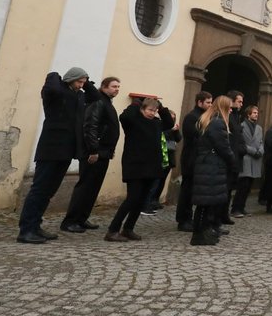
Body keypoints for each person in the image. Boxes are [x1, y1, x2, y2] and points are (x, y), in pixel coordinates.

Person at [17, 67, 100, 244]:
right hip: (50, 149)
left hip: (66, 151)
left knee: (48, 192)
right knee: (39, 190)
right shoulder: (55, 93)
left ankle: (35, 225)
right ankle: (26, 230)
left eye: (83, 83)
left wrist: (86, 81)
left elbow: (95, 97)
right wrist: (55, 75)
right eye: (79, 81)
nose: (81, 85)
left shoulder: (78, 95)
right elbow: (52, 86)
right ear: (70, 79)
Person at [105, 97, 174, 242]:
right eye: (149, 110)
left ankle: (128, 228)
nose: (152, 113)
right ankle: (113, 230)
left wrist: (161, 108)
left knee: (141, 200)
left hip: (151, 166)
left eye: (154, 111)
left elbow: (169, 123)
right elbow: (125, 116)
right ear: (142, 109)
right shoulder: (133, 122)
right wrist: (136, 103)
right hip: (135, 165)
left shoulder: (156, 123)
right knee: (132, 198)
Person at [60, 76, 121, 233]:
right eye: (114, 86)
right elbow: (90, 125)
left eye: (118, 87)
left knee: (93, 187)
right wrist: (93, 150)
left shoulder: (106, 101)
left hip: (104, 151)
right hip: (94, 152)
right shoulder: (98, 100)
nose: (117, 89)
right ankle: (71, 220)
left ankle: (82, 218)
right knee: (85, 186)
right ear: (104, 87)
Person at [190, 95, 237, 245]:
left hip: (207, 165)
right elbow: (223, 147)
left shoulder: (209, 119)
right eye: (229, 107)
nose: (231, 110)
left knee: (205, 203)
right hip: (212, 166)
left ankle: (202, 233)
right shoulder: (218, 123)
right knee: (207, 203)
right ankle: (201, 235)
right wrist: (232, 161)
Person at [176, 91, 211, 232]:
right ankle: (183, 219)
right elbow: (195, 137)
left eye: (211, 102)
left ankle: (189, 218)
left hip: (199, 158)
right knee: (187, 190)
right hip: (191, 158)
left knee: (193, 190)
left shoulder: (203, 116)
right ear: (199, 102)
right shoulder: (192, 117)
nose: (210, 105)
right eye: (208, 102)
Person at [144, 109, 179, 214]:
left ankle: (154, 201)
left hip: (169, 157)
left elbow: (178, 138)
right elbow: (161, 136)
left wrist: (176, 130)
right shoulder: (159, 125)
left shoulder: (172, 128)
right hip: (160, 156)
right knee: (154, 182)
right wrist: (171, 130)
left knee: (161, 181)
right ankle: (147, 203)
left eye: (173, 118)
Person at [232, 104, 264, 218]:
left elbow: (261, 142)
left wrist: (260, 150)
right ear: (248, 114)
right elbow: (241, 143)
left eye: (257, 113)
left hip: (255, 159)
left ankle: (242, 207)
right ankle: (235, 208)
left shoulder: (259, 128)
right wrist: (252, 150)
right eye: (254, 113)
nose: (256, 115)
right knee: (242, 186)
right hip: (246, 157)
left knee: (249, 187)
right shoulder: (241, 126)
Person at [221, 90, 244, 224]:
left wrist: (242, 149)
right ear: (232, 101)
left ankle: (224, 215)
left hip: (236, 157)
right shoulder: (227, 117)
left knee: (229, 190)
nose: (241, 104)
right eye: (239, 101)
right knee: (225, 189)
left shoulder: (236, 116)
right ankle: (219, 216)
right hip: (230, 158)